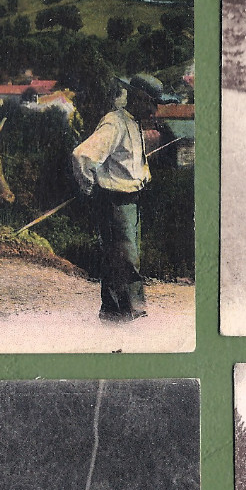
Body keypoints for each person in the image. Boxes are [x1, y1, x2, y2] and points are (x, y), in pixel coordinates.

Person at [72, 74, 163, 321]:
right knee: (125, 260)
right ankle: (127, 312)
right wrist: (91, 188)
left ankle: (117, 312)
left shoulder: (134, 124)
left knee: (123, 259)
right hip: (115, 202)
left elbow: (130, 163)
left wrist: (143, 176)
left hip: (132, 201)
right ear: (139, 98)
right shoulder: (114, 123)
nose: (155, 110)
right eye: (152, 103)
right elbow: (82, 156)